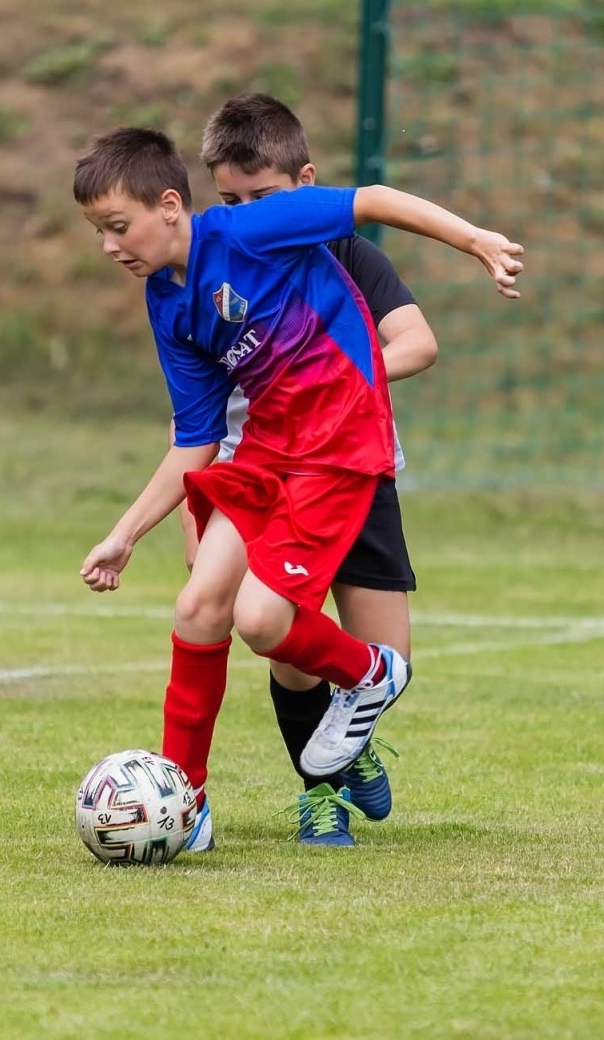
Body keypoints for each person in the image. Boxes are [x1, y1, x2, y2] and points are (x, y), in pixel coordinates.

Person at [73, 128, 522, 854]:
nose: (108, 247)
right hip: (268, 451)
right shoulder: (167, 301)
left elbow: (372, 201)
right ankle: (186, 802)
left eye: (117, 227)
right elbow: (194, 437)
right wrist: (126, 534)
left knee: (259, 621)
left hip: (341, 447)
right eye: (98, 233)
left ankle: (372, 673)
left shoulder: (249, 228)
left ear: (168, 206)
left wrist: (473, 241)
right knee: (197, 608)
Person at [178, 94, 440, 847]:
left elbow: (417, 343)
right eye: (229, 200)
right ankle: (317, 793)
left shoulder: (349, 254)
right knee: (282, 635)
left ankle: (348, 751)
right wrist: (198, 512)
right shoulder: (214, 269)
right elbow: (192, 411)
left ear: (306, 183)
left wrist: (332, 385)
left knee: (388, 662)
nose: (245, 214)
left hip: (356, 470)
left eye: (261, 198)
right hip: (260, 476)